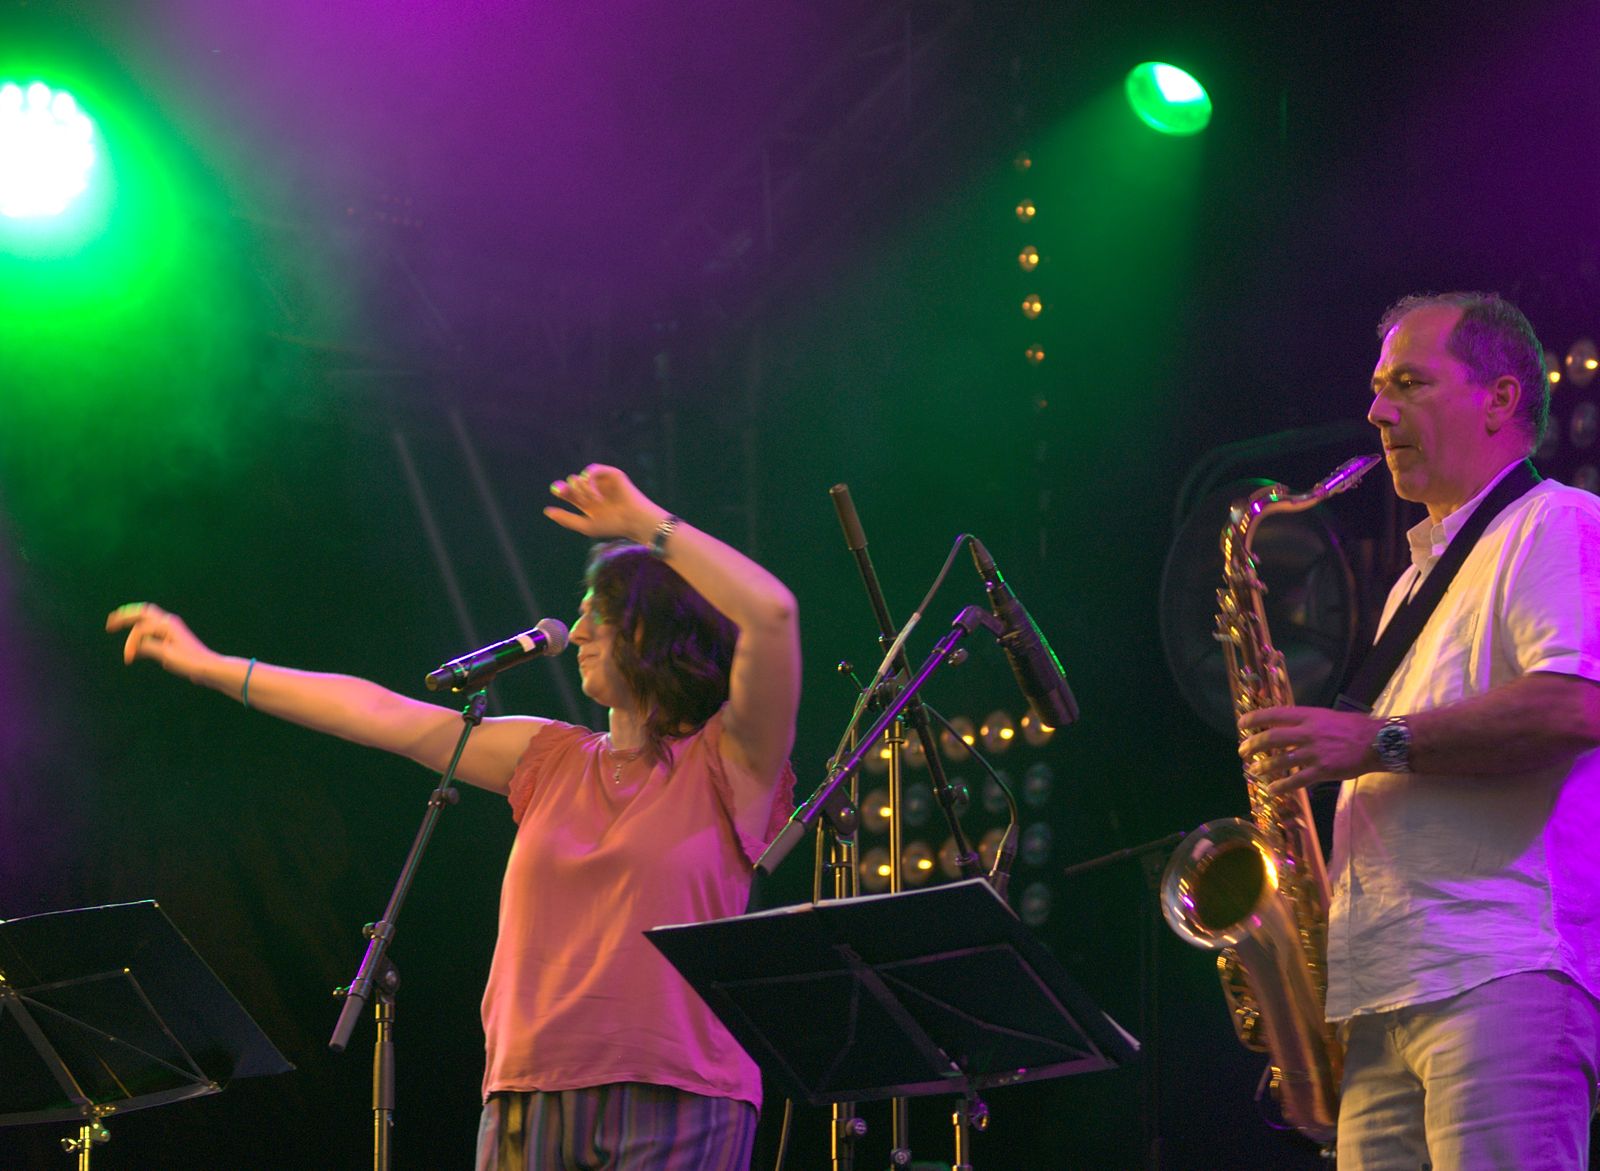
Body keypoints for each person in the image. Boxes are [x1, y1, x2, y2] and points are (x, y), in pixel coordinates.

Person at [107, 465, 800, 1171]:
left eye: (603, 613)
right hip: (528, 1092)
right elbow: (378, 713)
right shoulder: (549, 756)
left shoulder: (730, 760)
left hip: (680, 1096)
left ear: (662, 630)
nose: (580, 630)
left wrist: (644, 522)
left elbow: (772, 614)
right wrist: (209, 665)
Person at [1237, 292, 1600, 1169]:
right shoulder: (1411, 583)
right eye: (1376, 387)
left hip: (1498, 973)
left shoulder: (1555, 522)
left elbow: (1573, 706)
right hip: (1381, 998)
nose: (1376, 411)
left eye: (1407, 383)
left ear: (1499, 398)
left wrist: (1371, 741)